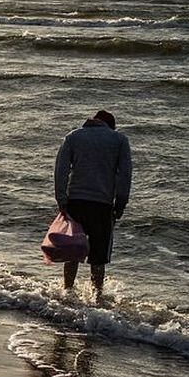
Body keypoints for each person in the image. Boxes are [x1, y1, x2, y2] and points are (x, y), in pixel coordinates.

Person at [53, 109, 133, 298]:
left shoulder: (73, 137)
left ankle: (67, 292)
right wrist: (120, 204)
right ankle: (97, 298)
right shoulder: (119, 140)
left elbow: (60, 171)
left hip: (76, 203)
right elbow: (125, 176)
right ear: (110, 126)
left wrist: (61, 200)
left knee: (72, 252)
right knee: (98, 258)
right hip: (102, 206)